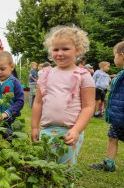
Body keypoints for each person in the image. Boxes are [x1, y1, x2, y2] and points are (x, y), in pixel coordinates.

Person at [31, 25, 95, 165]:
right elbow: (38, 103)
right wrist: (35, 127)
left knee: (64, 173)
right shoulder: (45, 74)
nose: (60, 53)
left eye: (65, 49)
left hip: (70, 132)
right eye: (55, 49)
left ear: (77, 50)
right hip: (46, 131)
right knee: (45, 169)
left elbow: (89, 106)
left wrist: (76, 130)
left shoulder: (83, 76)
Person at [90, 41, 124, 172]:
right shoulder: (121, 73)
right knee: (112, 136)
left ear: (122, 55)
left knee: (113, 137)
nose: (114, 58)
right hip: (118, 116)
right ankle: (109, 164)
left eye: (115, 55)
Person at [0, 51, 24, 140]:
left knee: (9, 140)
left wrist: (7, 113)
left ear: (12, 67)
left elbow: (20, 101)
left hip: (10, 120)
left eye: (2, 69)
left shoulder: (14, 83)